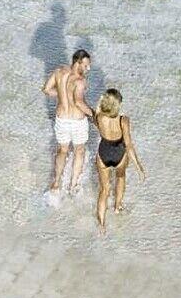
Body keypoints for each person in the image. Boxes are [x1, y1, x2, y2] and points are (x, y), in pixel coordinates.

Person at [42, 47, 93, 207]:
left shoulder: (58, 71)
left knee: (62, 150)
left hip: (61, 118)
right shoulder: (80, 81)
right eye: (86, 65)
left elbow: (46, 89)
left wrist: (63, 95)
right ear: (78, 62)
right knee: (79, 149)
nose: (88, 68)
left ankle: (56, 184)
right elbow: (79, 102)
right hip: (77, 120)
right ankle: (73, 185)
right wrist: (93, 114)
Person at [89, 86, 139, 228]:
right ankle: (117, 207)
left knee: (104, 190)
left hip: (104, 152)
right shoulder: (124, 120)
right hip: (119, 153)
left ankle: (102, 225)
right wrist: (138, 167)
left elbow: (96, 111)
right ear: (118, 105)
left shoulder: (99, 117)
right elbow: (129, 145)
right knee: (121, 177)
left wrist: (101, 103)